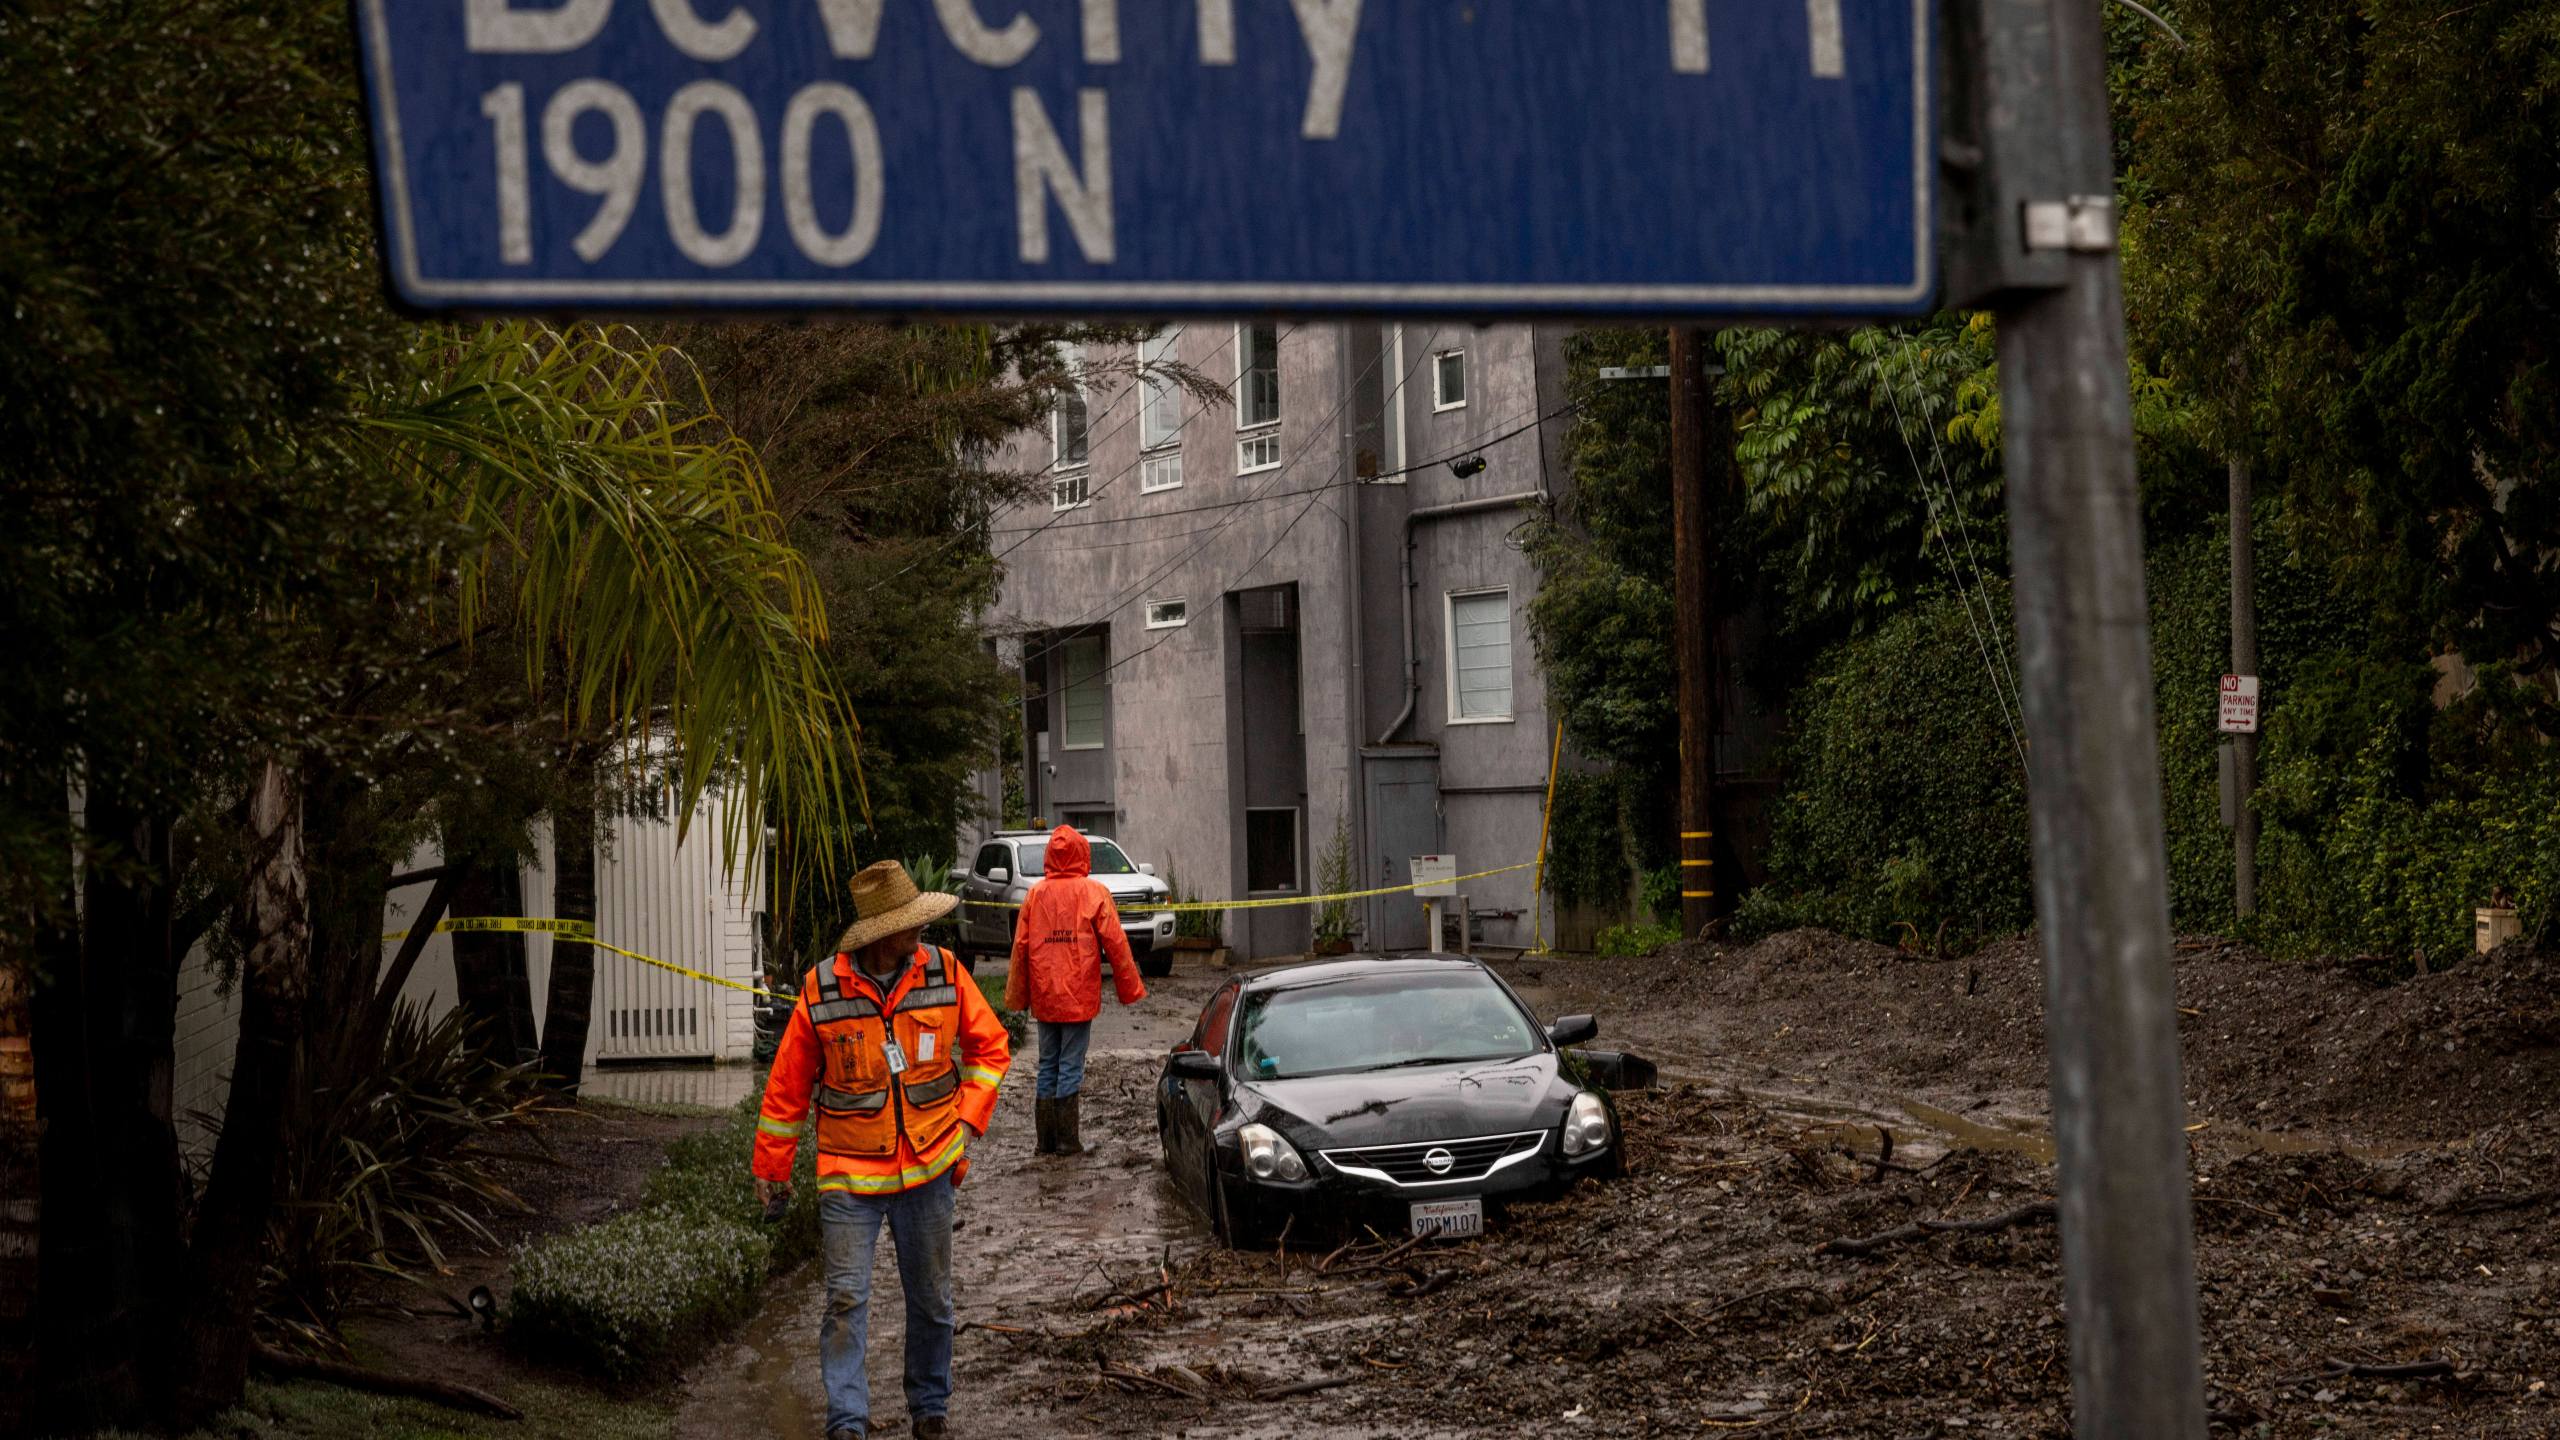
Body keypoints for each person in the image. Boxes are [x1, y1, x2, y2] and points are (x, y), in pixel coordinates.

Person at [754, 860, 1012, 1440]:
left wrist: (968, 1123)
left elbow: (991, 1050)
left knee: (933, 1302)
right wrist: (772, 1168)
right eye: (910, 923)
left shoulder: (944, 972)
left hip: (930, 1170)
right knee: (845, 1301)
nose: (921, 931)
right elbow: (787, 1088)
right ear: (879, 935)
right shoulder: (821, 989)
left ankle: (929, 1409)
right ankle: (847, 1422)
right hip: (848, 1178)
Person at [1003, 824, 1146, 1155]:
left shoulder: (1035, 894)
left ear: (1050, 855)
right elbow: (1116, 944)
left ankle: (1045, 1142)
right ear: (1083, 854)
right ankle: (1067, 1141)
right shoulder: (1093, 892)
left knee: (1047, 1063)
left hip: (1045, 994)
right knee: (1069, 1065)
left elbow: (1020, 948)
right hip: (1078, 993)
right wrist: (1130, 988)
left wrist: (1017, 996)